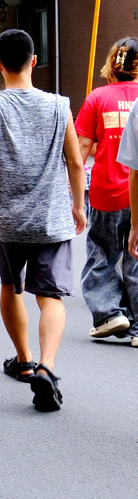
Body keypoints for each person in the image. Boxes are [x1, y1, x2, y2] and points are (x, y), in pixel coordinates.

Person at [0, 29, 86, 411]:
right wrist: (79, 205)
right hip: (51, 219)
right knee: (50, 296)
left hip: (7, 220)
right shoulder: (60, 106)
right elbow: (76, 161)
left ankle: (24, 361)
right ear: (34, 61)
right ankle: (47, 367)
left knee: (11, 286)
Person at [76, 37, 138, 344]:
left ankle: (109, 314)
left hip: (107, 192)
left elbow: (82, 149)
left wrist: (72, 191)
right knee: (136, 256)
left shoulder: (97, 98)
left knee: (102, 252)